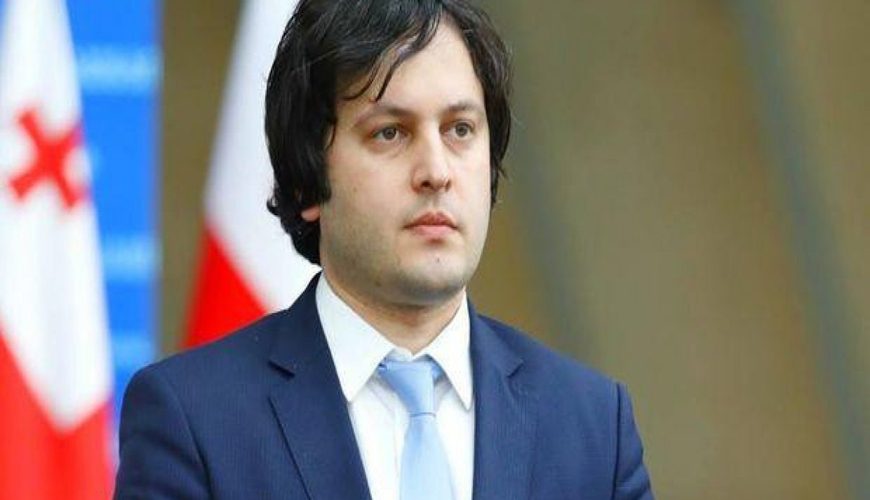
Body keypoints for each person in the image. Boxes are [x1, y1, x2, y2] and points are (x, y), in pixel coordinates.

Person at [114, 0, 654, 498]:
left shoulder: (592, 425)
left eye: (460, 129)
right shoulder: (194, 420)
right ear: (305, 182)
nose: (437, 171)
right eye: (390, 133)